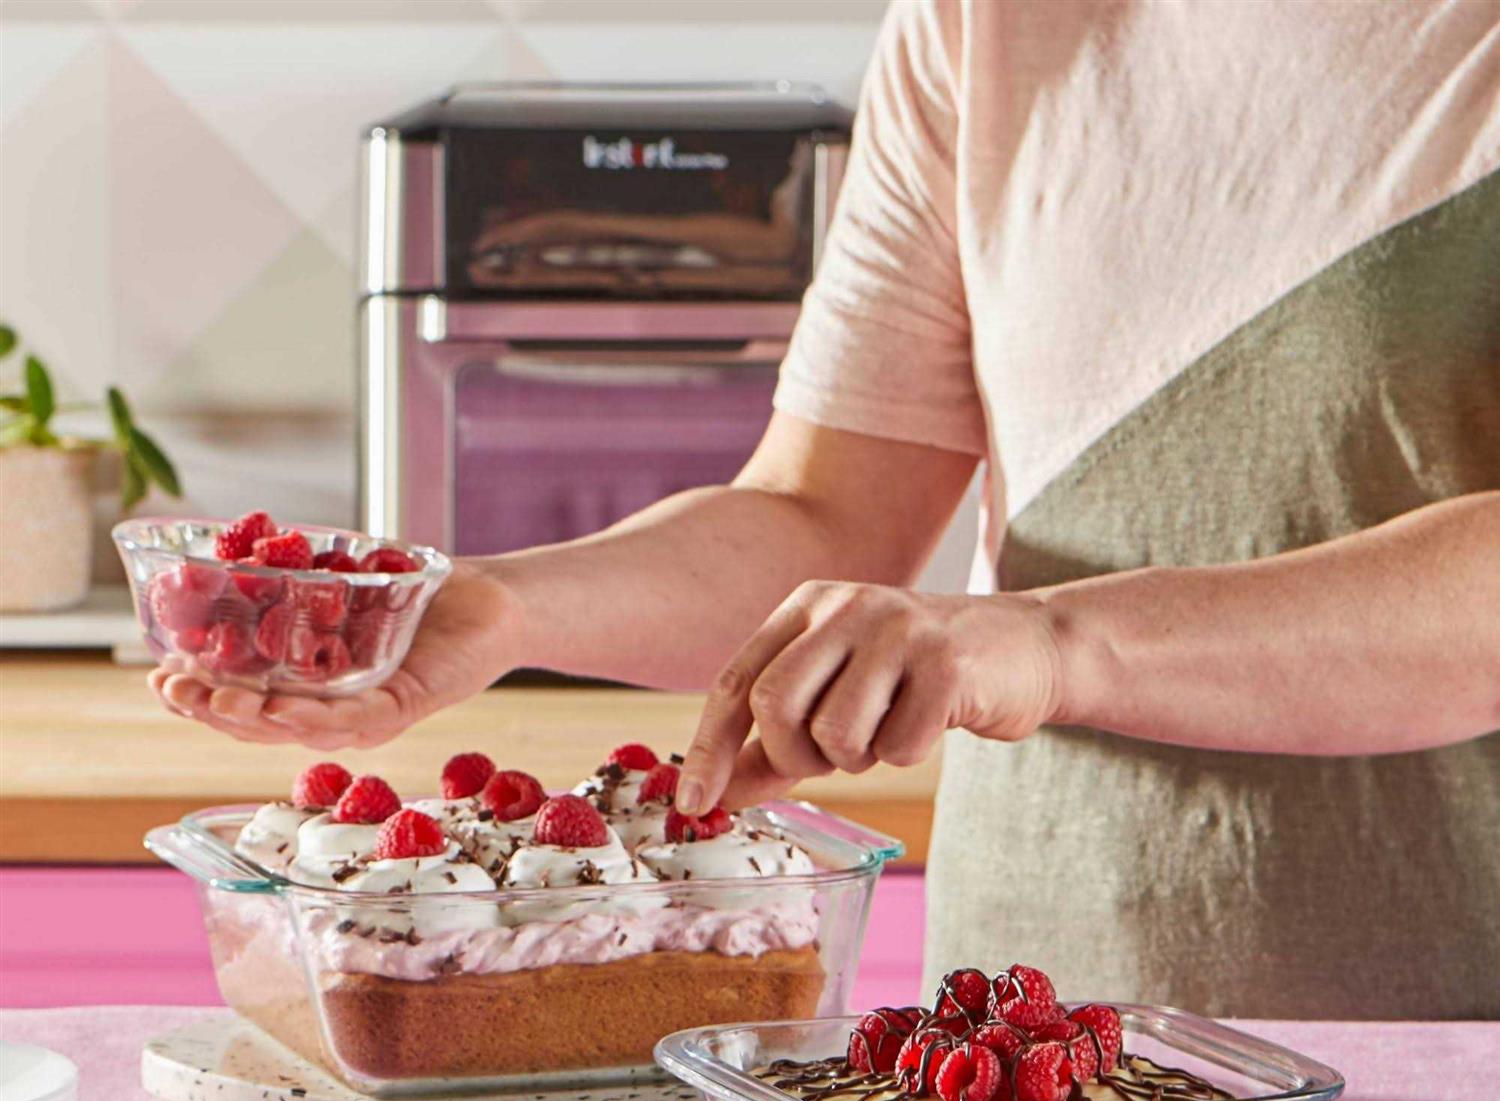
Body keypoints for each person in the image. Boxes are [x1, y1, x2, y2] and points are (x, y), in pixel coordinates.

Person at [152, 0, 1500, 1020]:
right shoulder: (988, 26)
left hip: (1452, 1032)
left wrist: (1048, 643)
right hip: (1028, 1033)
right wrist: (501, 608)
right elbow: (823, 513)